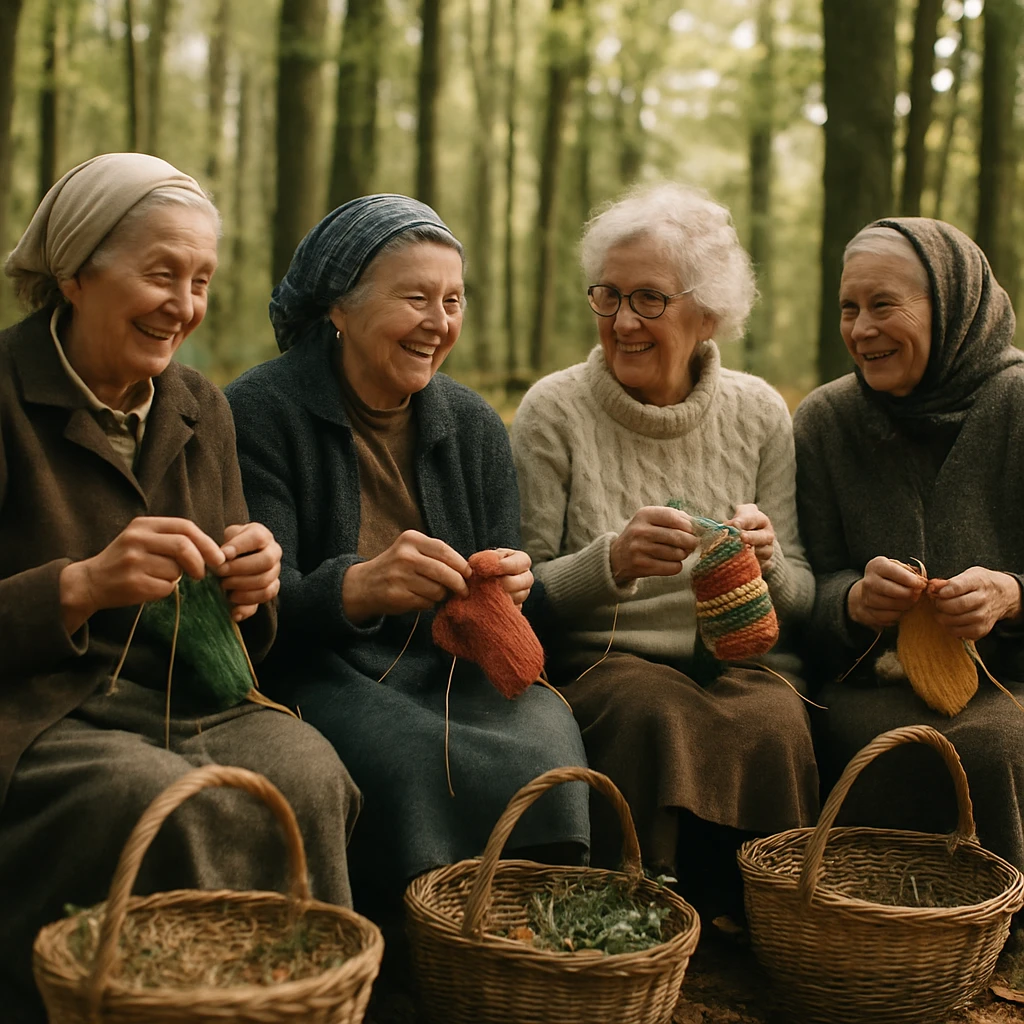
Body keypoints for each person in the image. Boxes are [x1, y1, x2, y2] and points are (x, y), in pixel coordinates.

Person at [0, 154, 358, 1023]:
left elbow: (241, 624)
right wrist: (79, 585)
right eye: (161, 273)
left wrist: (253, 585)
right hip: (38, 709)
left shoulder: (200, 404)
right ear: (76, 273)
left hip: (185, 697)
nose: (184, 305)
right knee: (144, 796)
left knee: (308, 769)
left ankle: (289, 1002)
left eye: (200, 280)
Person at [225, 194, 589, 909]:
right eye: (416, 297)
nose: (440, 322)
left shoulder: (474, 423)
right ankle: (418, 938)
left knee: (548, 732)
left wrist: (517, 585)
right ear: (339, 308)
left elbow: (518, 609)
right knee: (412, 754)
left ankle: (536, 926)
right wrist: (357, 588)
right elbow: (257, 609)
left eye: (453, 300)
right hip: (323, 673)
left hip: (458, 668)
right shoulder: (259, 413)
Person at [509, 182, 819, 917]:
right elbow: (515, 594)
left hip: (742, 660)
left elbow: (802, 595)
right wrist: (608, 563)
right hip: (604, 662)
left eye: (649, 299)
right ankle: (640, 909)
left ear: (709, 313)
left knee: (775, 717)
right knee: (649, 705)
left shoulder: (760, 413)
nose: (622, 321)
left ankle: (768, 913)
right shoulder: (553, 410)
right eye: (607, 295)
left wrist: (770, 562)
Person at [794, 217, 1024, 869]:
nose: (861, 329)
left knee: (999, 743)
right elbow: (804, 584)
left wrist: (1010, 595)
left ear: (951, 304)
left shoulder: (1018, 405)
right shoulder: (825, 421)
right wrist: (853, 602)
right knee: (882, 739)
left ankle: (995, 926)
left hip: (1011, 685)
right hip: (872, 686)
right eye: (848, 307)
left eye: (883, 304)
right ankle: (872, 921)